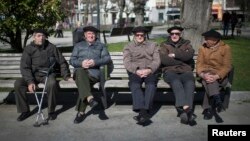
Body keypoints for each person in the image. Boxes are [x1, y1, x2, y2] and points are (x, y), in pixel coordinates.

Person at [14, 29, 73, 121]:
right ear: (34, 37)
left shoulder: (51, 47)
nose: (41, 38)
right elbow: (25, 67)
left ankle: (51, 111)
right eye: (38, 36)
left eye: (43, 36)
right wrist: (30, 82)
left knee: (52, 84)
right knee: (18, 84)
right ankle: (25, 111)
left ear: (45, 37)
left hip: (48, 74)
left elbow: (62, 62)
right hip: (33, 76)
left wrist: (66, 76)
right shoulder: (28, 49)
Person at [69, 26, 112, 124]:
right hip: (79, 72)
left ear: (95, 35)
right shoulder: (78, 46)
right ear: (85, 35)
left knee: (82, 83)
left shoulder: (101, 46)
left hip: (93, 74)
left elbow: (107, 59)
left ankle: (82, 111)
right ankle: (89, 100)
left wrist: (95, 62)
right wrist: (81, 63)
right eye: (89, 34)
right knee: (80, 72)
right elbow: (71, 60)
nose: (91, 35)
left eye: (93, 34)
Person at [123, 26, 160, 124]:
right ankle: (144, 112)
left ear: (145, 35)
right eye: (137, 35)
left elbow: (157, 60)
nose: (140, 37)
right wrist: (136, 70)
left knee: (151, 85)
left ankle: (142, 112)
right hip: (136, 71)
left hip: (150, 71)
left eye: (142, 35)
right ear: (134, 36)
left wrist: (149, 69)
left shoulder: (153, 45)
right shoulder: (128, 46)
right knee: (134, 85)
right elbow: (127, 62)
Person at [159, 26, 196, 125]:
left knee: (190, 82)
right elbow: (164, 60)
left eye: (177, 34)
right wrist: (182, 60)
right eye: (172, 34)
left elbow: (189, 55)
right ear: (169, 35)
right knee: (176, 82)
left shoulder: (187, 43)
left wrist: (174, 54)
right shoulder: (164, 45)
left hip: (185, 71)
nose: (174, 35)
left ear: (180, 34)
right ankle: (187, 110)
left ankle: (184, 111)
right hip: (170, 71)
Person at [196, 29, 232, 122]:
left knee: (211, 82)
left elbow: (227, 66)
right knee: (210, 81)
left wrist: (217, 76)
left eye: (207, 38)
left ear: (215, 40)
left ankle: (208, 108)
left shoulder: (225, 48)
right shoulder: (202, 48)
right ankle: (217, 100)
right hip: (206, 73)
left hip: (220, 76)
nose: (205, 40)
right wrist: (203, 75)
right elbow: (199, 64)